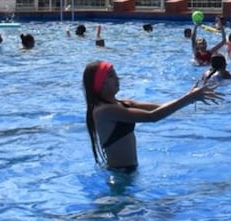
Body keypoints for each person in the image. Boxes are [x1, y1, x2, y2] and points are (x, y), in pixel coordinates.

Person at [82, 60, 223, 171]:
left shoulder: (122, 103)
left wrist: (190, 97)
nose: (118, 78)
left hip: (128, 172)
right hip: (119, 174)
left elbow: (160, 107)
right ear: (100, 85)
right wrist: (189, 98)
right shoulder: (104, 111)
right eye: (111, 75)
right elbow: (152, 116)